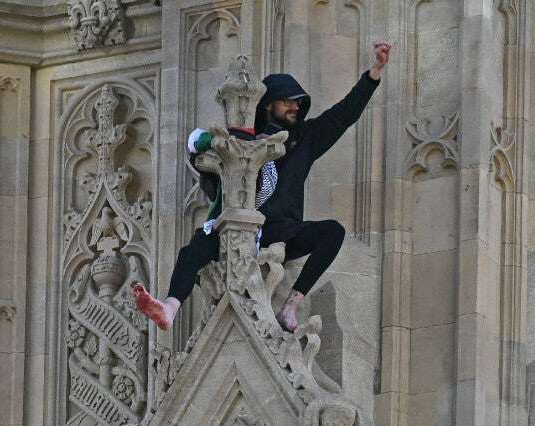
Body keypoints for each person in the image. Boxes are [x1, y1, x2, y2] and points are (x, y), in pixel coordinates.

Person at [134, 40, 391, 332]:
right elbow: (196, 144)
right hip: (237, 225)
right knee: (193, 250)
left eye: (298, 102)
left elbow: (343, 115)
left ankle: (291, 306)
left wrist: (374, 72)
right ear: (269, 104)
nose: (296, 106)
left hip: (280, 229)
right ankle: (169, 308)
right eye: (288, 101)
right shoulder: (242, 139)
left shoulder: (302, 139)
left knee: (332, 232)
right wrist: (217, 143)